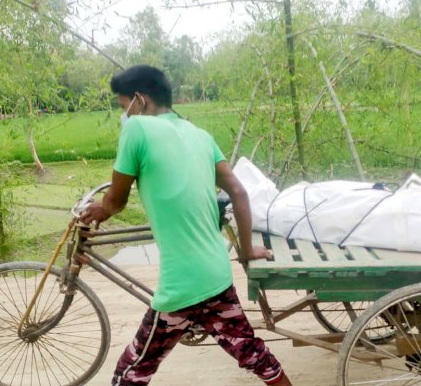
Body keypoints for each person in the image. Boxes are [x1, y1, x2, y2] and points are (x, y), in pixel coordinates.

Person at [79, 65, 292, 386]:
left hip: (182, 285)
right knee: (255, 356)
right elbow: (238, 191)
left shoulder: (136, 130)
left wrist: (100, 209)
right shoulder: (199, 135)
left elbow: (116, 202)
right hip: (216, 273)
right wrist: (247, 251)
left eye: (124, 107)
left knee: (131, 370)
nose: (124, 115)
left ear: (139, 99)